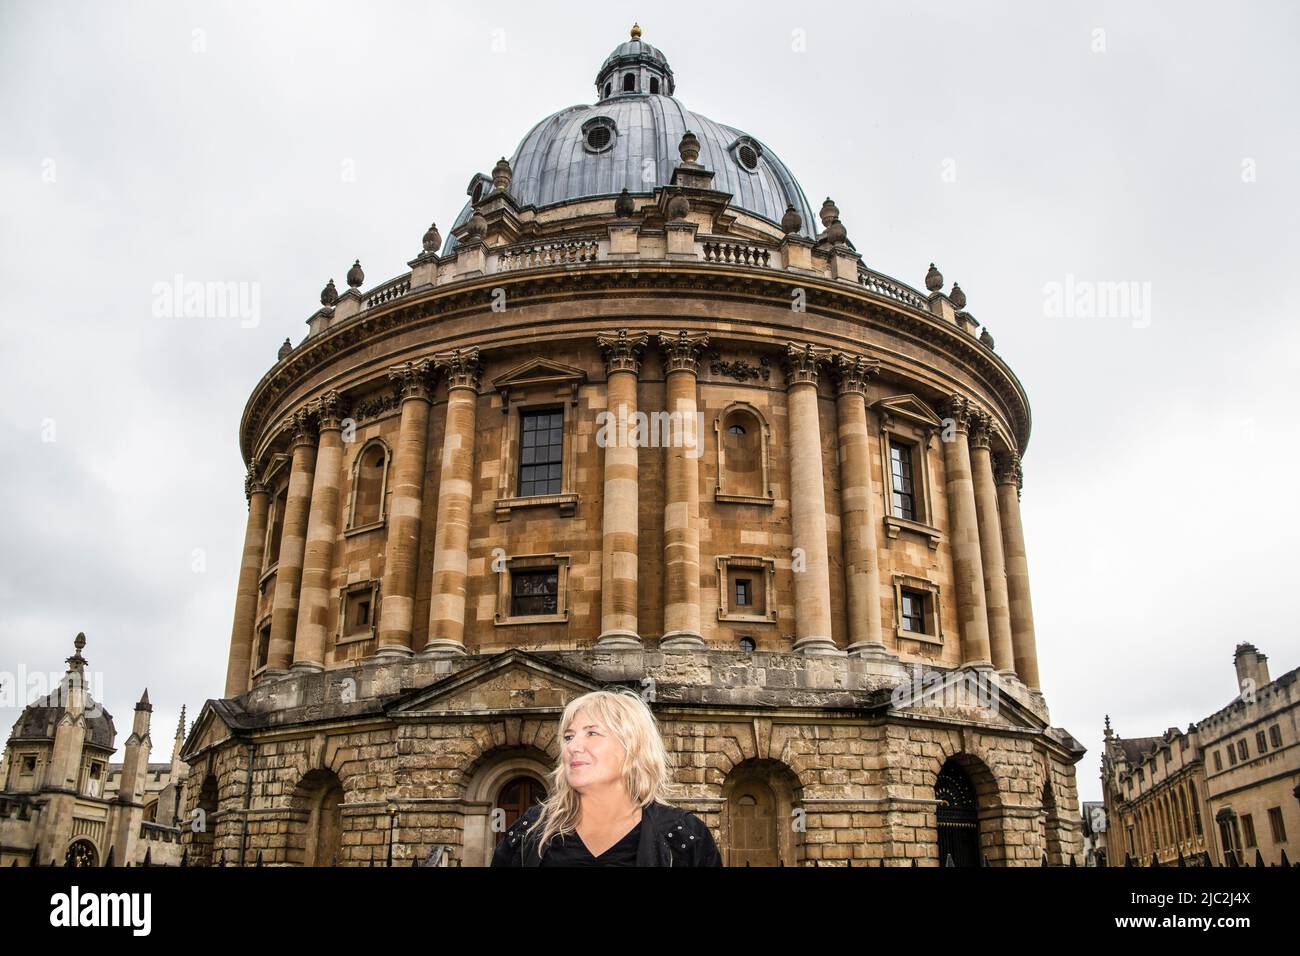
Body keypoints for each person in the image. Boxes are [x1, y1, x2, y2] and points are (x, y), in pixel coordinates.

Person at [490, 687, 722, 867]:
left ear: (632, 747)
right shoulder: (531, 828)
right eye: (569, 737)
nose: (573, 746)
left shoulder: (682, 835)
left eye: (592, 733)